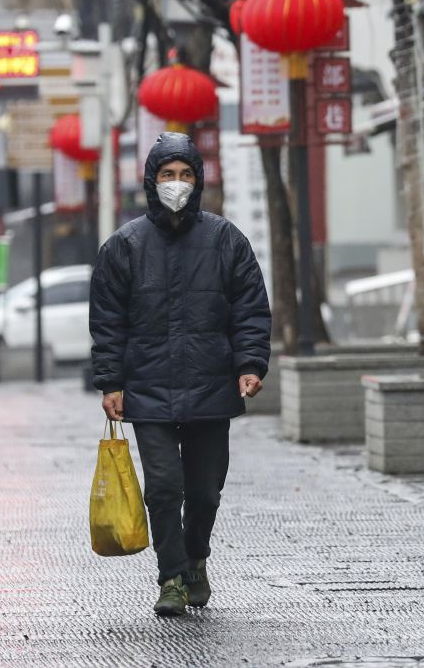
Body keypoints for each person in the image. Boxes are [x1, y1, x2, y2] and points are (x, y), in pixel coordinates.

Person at [90, 132, 271, 617]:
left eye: (185, 175)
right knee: (165, 487)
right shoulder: (124, 246)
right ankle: (171, 576)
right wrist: (111, 381)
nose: (177, 184)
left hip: (211, 384)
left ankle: (196, 559)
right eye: (167, 175)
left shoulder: (226, 240)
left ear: (199, 180)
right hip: (147, 389)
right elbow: (107, 321)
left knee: (206, 489)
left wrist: (250, 365)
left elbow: (250, 310)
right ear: (151, 181)